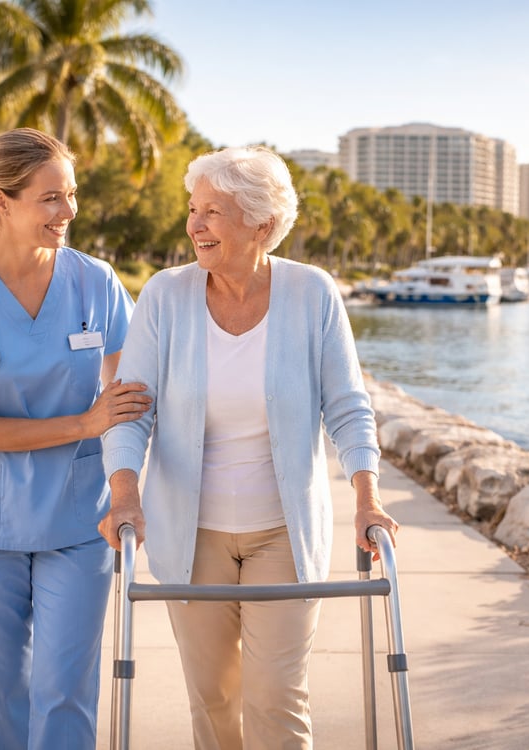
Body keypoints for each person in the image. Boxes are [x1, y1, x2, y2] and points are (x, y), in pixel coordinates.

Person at [98, 145, 399, 749]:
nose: (195, 225)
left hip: (282, 535)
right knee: (213, 700)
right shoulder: (165, 295)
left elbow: (346, 406)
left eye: (213, 211)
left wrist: (367, 499)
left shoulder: (312, 294)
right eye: (193, 209)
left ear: (262, 224)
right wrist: (124, 493)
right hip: (194, 533)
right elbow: (130, 412)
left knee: (277, 700)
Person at [0, 127, 151, 749]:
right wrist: (84, 423)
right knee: (0, 701)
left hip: (80, 523)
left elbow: (130, 395)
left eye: (71, 195)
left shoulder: (96, 282)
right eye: (51, 198)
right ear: (0, 202)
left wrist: (129, 479)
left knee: (66, 693)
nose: (68, 211)